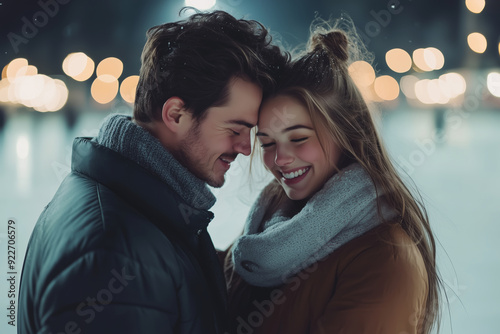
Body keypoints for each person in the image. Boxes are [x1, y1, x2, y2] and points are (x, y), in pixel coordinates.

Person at [18, 11, 287, 334]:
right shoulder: (115, 253)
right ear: (176, 114)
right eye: (235, 128)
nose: (245, 147)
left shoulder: (138, 210)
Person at [223, 19, 441, 334]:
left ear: (347, 133)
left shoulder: (385, 257)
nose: (279, 159)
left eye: (298, 138)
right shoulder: (274, 218)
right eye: (267, 143)